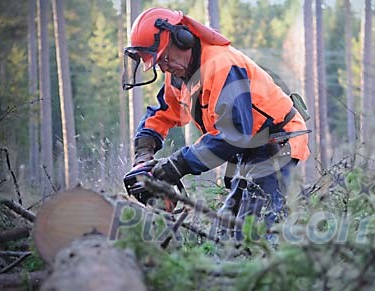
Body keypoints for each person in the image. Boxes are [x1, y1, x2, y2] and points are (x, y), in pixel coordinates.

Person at [122, 7, 310, 240]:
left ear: (182, 40)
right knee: (225, 230)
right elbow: (162, 114)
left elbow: (234, 134)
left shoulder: (221, 65)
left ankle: (277, 262)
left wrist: (176, 165)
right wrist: (144, 151)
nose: (164, 68)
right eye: (158, 63)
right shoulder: (180, 76)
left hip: (276, 140)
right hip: (248, 147)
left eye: (164, 58)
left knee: (254, 229)